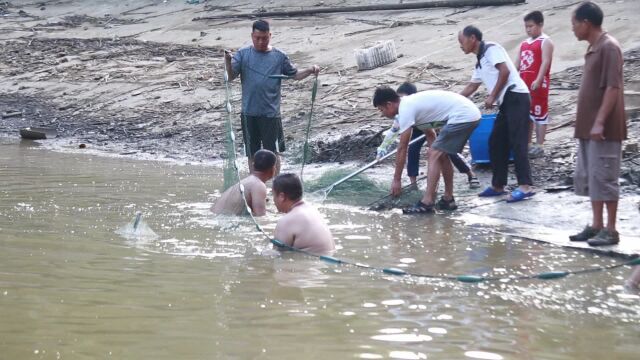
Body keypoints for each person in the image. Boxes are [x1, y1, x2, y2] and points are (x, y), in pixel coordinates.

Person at [224, 19, 320, 172]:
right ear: (252, 36)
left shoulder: (279, 56)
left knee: (273, 153)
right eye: (257, 38)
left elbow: (294, 75)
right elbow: (230, 77)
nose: (261, 42)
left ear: (270, 35)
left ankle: (277, 186)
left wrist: (310, 70)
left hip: (270, 114)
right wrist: (228, 62)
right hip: (249, 113)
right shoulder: (242, 54)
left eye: (264, 38)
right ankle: (255, 185)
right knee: (252, 154)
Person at [568, 2, 627, 246]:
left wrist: (600, 122)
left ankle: (611, 229)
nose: (572, 29)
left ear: (586, 23)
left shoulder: (609, 47)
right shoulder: (595, 47)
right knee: (592, 177)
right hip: (588, 128)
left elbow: (613, 88)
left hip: (603, 129)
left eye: (574, 24)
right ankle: (596, 225)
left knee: (605, 176)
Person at [373, 87, 481, 214]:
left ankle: (427, 202)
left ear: (389, 104)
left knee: (433, 154)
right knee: (440, 155)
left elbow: (402, 147)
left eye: (382, 109)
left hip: (463, 116)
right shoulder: (413, 106)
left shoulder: (405, 109)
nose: (382, 114)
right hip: (468, 114)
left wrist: (397, 180)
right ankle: (448, 199)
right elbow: (430, 135)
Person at [458, 25, 535, 203]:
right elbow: (472, 86)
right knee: (496, 142)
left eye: (461, 41)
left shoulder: (491, 49)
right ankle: (498, 185)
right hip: (505, 102)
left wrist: (492, 95)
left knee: (518, 142)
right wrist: (451, 100)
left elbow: (505, 71)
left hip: (517, 96)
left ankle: (526, 186)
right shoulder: (479, 61)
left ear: (472, 38)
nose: (460, 46)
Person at [516, 11, 555, 158]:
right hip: (524, 84)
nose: (528, 29)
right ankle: (528, 143)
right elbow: (517, 64)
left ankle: (540, 144)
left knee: (539, 113)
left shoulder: (546, 41)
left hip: (538, 84)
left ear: (540, 25)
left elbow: (546, 61)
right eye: (526, 26)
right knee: (527, 114)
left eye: (531, 26)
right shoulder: (524, 43)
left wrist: (539, 79)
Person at [272, 173, 335, 254]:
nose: (273, 200)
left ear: (281, 197)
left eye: (273, 195)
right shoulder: (313, 211)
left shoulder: (286, 221)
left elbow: (277, 256)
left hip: (308, 264)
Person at [211, 149, 277, 216]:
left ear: (253, 165)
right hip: (226, 220)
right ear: (273, 169)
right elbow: (261, 217)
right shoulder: (259, 185)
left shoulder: (245, 182)